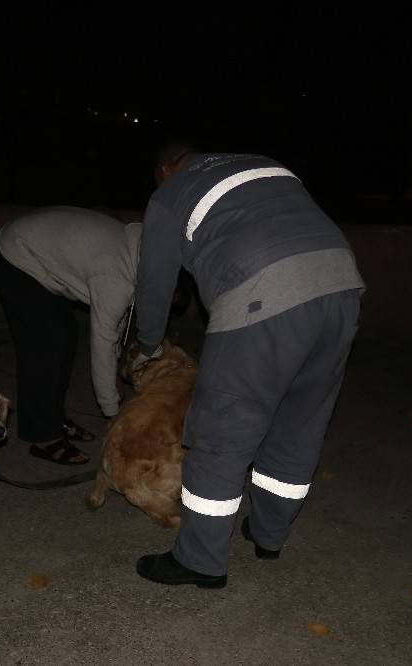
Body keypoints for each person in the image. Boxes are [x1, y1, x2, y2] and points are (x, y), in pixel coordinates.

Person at [133, 146, 366, 588]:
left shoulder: (170, 194)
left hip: (262, 294)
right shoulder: (268, 164)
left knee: (222, 431)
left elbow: (155, 281)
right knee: (299, 421)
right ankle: (268, 535)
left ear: (165, 168)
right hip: (342, 286)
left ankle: (199, 560)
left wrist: (148, 344)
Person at [0, 206, 142, 465]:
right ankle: (42, 435)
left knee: (66, 335)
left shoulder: (140, 259)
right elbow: (103, 341)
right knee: (45, 344)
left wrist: (115, 368)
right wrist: (112, 411)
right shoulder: (116, 278)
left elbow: (118, 321)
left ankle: (54, 417)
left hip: (42, 258)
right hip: (15, 256)